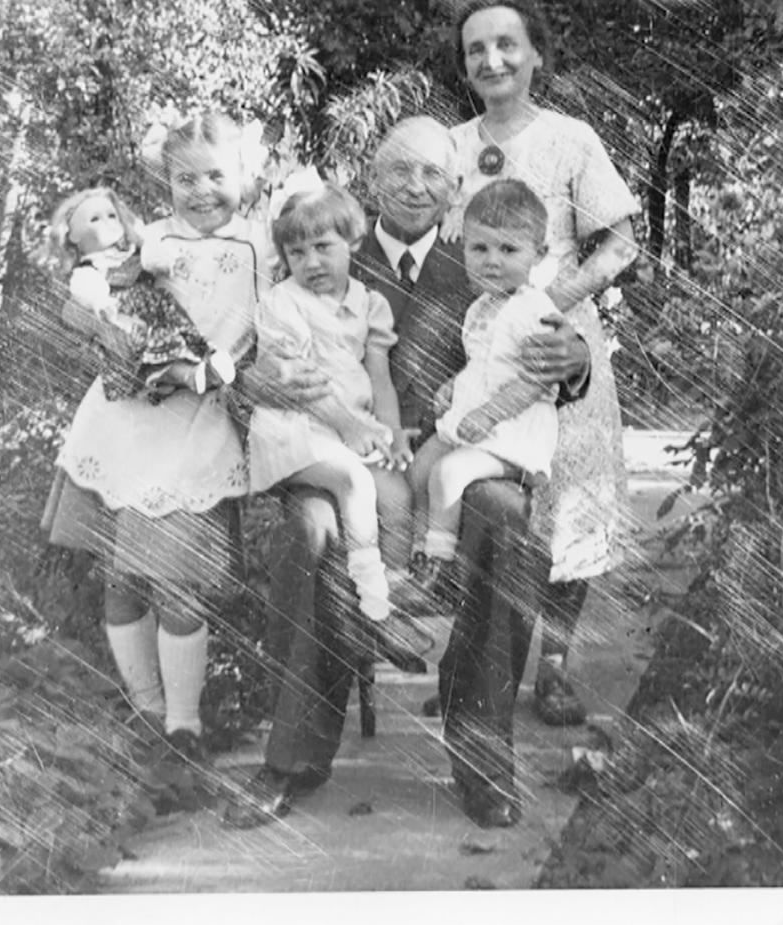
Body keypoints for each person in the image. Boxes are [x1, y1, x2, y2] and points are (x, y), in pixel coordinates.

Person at [230, 116, 591, 831]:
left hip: (457, 458)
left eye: (432, 171)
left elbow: (554, 346)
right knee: (306, 527)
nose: (416, 185)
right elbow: (250, 362)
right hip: (342, 454)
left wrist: (574, 359)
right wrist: (260, 384)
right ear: (371, 184)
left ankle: (484, 759)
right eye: (398, 170)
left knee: (510, 522)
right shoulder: (325, 253)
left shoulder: (485, 260)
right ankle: (293, 755)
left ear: (457, 186)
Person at [42, 110, 269, 763]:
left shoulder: (260, 242)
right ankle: (143, 705)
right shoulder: (147, 242)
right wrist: (104, 329)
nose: (200, 191)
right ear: (165, 181)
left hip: (197, 427)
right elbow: (79, 302)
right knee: (121, 577)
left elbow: (275, 323)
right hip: (125, 427)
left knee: (180, 586)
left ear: (244, 176)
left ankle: (184, 722)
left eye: (215, 176)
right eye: (184, 178)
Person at [448, 0, 640, 727]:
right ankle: (478, 662)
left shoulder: (570, 138)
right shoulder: (451, 145)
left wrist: (549, 300)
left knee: (570, 499)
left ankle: (554, 668)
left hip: (560, 341)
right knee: (495, 502)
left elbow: (619, 242)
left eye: (506, 44)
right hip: (481, 346)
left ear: (536, 54)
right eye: (476, 50)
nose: (492, 60)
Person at [244, 180, 428, 672]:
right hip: (297, 429)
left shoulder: (368, 303)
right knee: (354, 482)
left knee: (395, 493)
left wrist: (388, 435)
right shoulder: (282, 304)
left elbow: (380, 377)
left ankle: (387, 601)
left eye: (323, 247)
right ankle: (372, 606)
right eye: (296, 252)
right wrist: (349, 426)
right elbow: (303, 388)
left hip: (350, 428)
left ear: (352, 242)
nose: (311, 263)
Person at [407, 178, 560, 599]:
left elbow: (536, 379)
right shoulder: (481, 307)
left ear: (538, 254)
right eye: (480, 249)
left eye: (508, 250)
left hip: (514, 432)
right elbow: (484, 363)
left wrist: (489, 414)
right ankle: (420, 552)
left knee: (448, 471)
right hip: (476, 422)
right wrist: (451, 386)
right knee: (421, 468)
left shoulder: (535, 310)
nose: (492, 261)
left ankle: (440, 568)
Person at [45, 184, 235, 401]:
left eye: (111, 216)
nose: (107, 223)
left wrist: (171, 262)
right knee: (151, 355)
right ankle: (189, 376)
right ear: (74, 235)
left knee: (178, 333)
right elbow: (86, 290)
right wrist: (101, 303)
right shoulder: (88, 270)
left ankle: (206, 359)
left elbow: (151, 257)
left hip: (158, 311)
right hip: (126, 322)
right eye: (94, 219)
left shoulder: (130, 251)